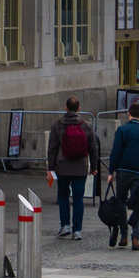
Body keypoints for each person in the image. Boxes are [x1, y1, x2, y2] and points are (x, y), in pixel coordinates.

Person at [47, 95, 101, 240]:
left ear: (66, 108)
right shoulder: (87, 125)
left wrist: (50, 169)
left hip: (62, 168)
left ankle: (65, 225)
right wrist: (94, 166)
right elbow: (93, 148)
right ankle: (77, 230)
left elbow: (52, 148)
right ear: (79, 108)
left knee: (63, 195)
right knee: (78, 198)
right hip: (80, 168)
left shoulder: (57, 125)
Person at [107, 100, 139, 251]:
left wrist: (111, 171)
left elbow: (115, 152)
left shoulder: (122, 130)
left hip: (123, 172)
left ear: (128, 114)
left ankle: (124, 235)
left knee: (121, 202)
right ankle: (136, 236)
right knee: (138, 204)